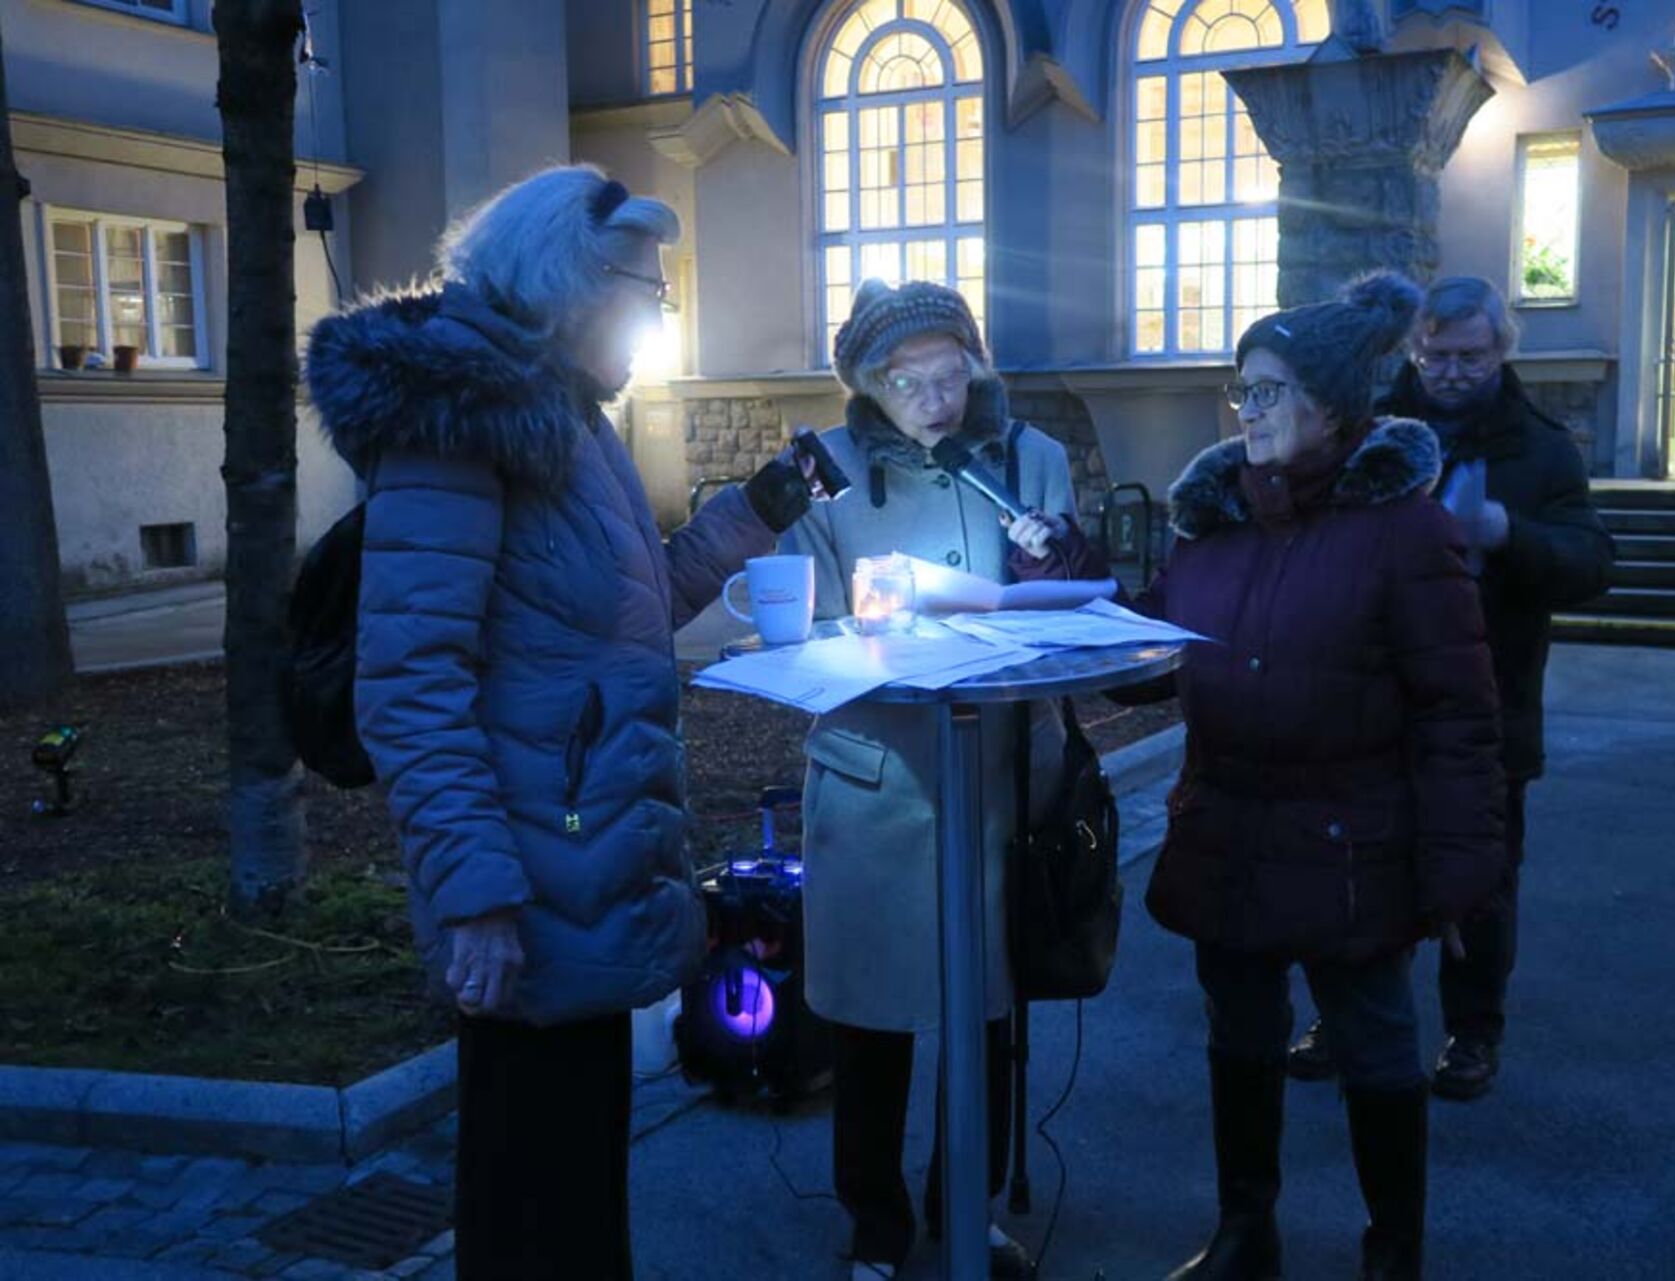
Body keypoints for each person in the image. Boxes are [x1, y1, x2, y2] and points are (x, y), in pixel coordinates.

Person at [305, 165, 818, 1280]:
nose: (658, 315)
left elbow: (631, 608)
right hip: (527, 882)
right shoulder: (463, 430)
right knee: (532, 1199)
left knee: (573, 1183)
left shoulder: (569, 422)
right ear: (564, 284)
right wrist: (477, 896)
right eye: (644, 291)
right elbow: (410, 683)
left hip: (584, 859)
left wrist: (757, 509)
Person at [1114, 272, 1508, 1281]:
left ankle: (1393, 1255)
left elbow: (1458, 716)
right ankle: (1248, 1234)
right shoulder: (1215, 526)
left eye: (1272, 391)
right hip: (1228, 835)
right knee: (1240, 1040)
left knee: (1376, 1050)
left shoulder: (1406, 531)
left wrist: (1461, 872)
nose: (1249, 412)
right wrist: (1060, 582)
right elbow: (1153, 654)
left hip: (1352, 846)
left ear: (1334, 405)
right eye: (1242, 391)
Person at [779, 279, 1102, 1281]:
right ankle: (873, 1219)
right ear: (868, 384)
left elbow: (1066, 611)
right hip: (881, 778)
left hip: (1001, 777)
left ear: (976, 361)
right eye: (905, 377)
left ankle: (970, 1205)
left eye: (949, 370)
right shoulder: (820, 473)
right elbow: (801, 627)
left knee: (989, 1012)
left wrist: (1049, 574)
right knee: (875, 1020)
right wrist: (871, 625)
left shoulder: (1032, 459)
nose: (933, 394)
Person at [1290, 276, 1616, 1101]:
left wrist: (1510, 533)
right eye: (1435, 354)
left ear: (1502, 349)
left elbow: (1592, 563)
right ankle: (1350, 1014)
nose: (1451, 370)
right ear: (1413, 349)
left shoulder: (1541, 449)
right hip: (1372, 698)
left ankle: (1474, 1033)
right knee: (1359, 871)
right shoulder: (1365, 432)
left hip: (1488, 703)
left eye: (1470, 354)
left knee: (1481, 880)